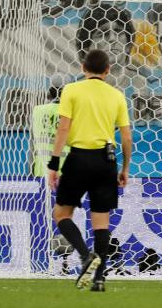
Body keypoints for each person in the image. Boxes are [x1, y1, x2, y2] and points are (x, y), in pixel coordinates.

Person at [45, 49, 133, 293]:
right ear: (107, 71)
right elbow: (126, 136)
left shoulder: (71, 90)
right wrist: (125, 167)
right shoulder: (116, 95)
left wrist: (54, 164)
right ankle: (100, 279)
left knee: (62, 214)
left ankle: (85, 255)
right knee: (101, 222)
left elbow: (63, 129)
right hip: (107, 160)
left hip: (78, 158)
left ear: (83, 68)